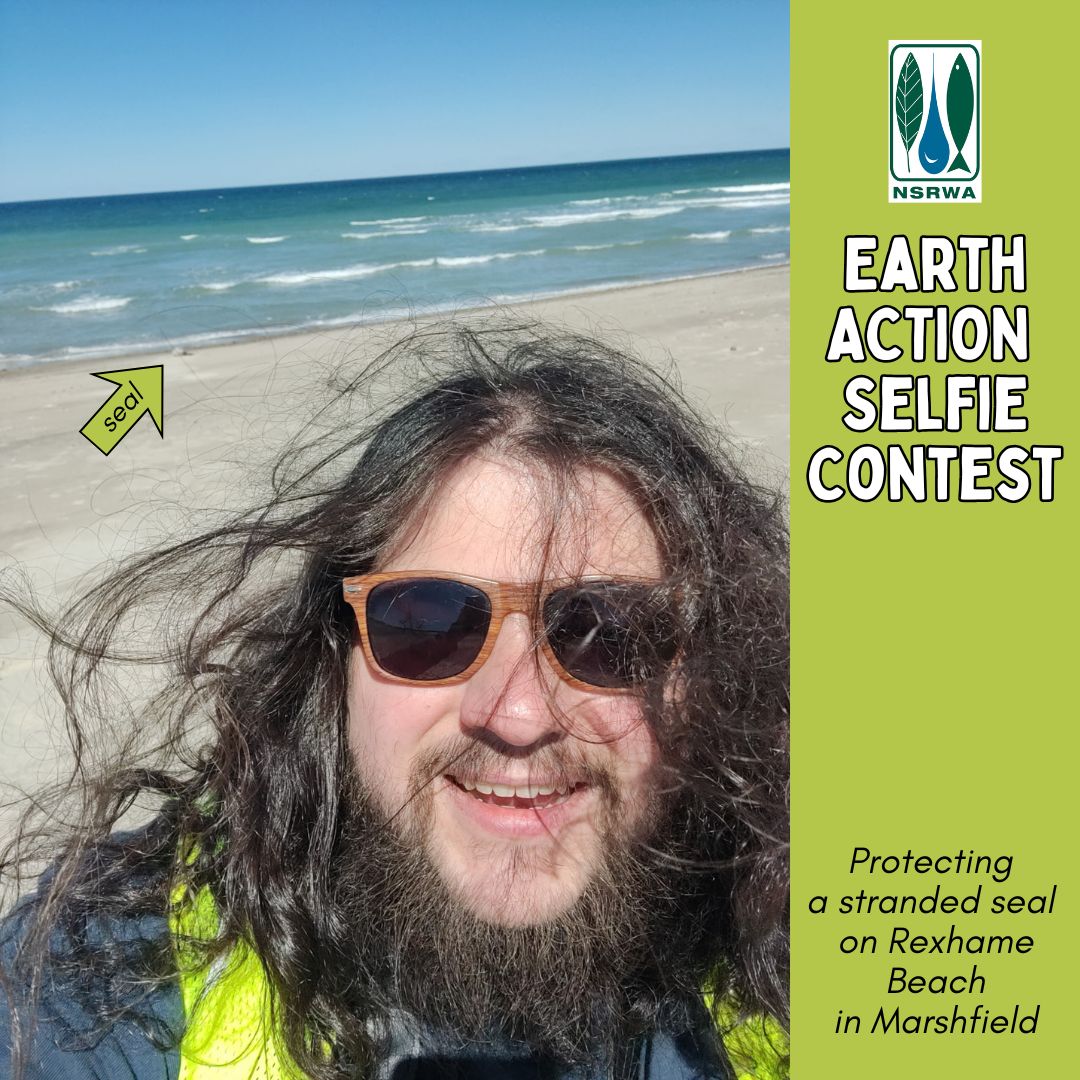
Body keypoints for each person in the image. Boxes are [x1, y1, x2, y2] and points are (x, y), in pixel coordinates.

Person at [0, 324, 789, 1079]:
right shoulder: (102, 970)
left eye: (605, 633)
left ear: (709, 676)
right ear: (336, 662)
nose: (517, 715)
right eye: (428, 624)